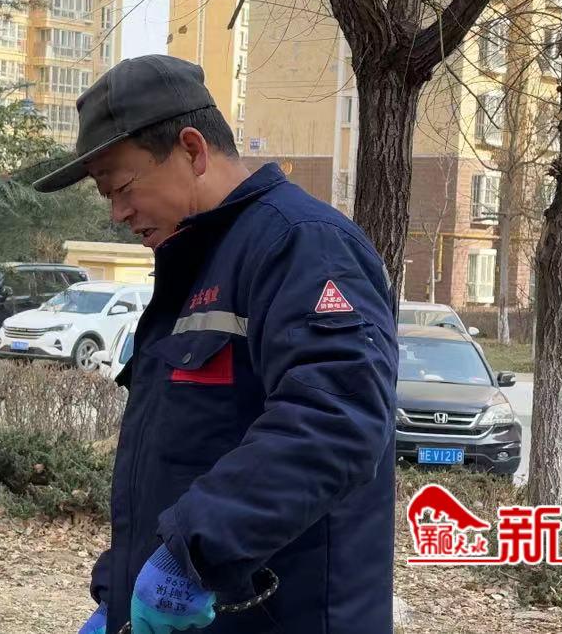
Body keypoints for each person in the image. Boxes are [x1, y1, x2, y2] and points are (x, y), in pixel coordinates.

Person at [33, 55, 399, 634]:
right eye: (106, 196)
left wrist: (194, 555)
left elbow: (337, 418)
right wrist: (118, 594)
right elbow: (181, 455)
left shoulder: (302, 245)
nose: (118, 213)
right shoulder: (195, 263)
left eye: (122, 187)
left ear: (192, 150)